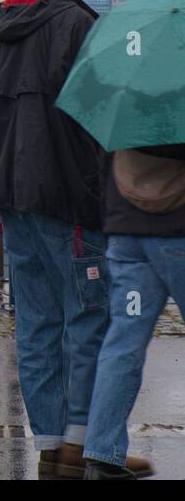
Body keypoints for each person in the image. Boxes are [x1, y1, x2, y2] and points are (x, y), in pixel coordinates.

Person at [0, 0, 146, 479]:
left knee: (37, 322)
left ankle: (49, 443)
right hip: (69, 196)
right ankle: (83, 443)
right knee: (88, 318)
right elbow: (109, 114)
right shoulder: (78, 24)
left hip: (11, 196)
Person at [82, 143, 184, 478]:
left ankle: (102, 455)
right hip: (177, 236)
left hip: (128, 238)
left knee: (123, 341)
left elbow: (100, 162)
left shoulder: (123, 95)